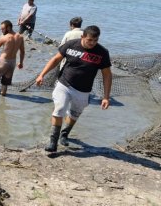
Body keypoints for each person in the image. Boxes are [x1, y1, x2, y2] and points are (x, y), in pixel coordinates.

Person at [35, 25, 112, 153]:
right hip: (64, 84)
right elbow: (55, 59)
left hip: (83, 90)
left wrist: (106, 97)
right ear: (82, 37)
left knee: (75, 113)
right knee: (59, 110)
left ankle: (64, 134)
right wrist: (41, 75)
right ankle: (53, 143)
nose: (92, 43)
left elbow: (107, 75)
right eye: (89, 40)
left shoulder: (102, 53)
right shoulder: (71, 45)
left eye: (95, 40)